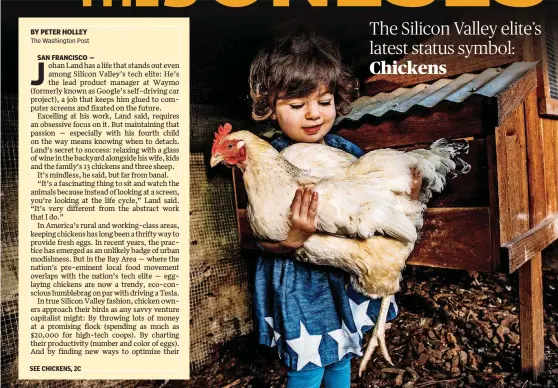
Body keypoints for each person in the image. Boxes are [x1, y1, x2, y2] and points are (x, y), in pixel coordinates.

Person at [247, 30, 400, 388]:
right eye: (297, 105)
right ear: (270, 108)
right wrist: (292, 238)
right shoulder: (264, 162)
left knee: (343, 354)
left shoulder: (347, 151)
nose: (313, 114)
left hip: (345, 275)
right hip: (301, 284)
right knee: (308, 363)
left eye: (325, 101)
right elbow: (257, 239)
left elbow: (379, 202)